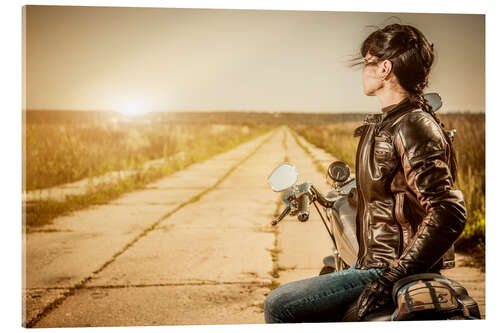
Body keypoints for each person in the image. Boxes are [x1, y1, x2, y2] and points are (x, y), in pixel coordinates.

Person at [264, 23, 467, 323]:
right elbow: (397, 193)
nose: (363, 70)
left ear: (385, 69)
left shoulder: (411, 124)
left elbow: (448, 210)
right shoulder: (392, 122)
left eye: (367, 62)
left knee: (279, 305)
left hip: (385, 266)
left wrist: (390, 276)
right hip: (380, 260)